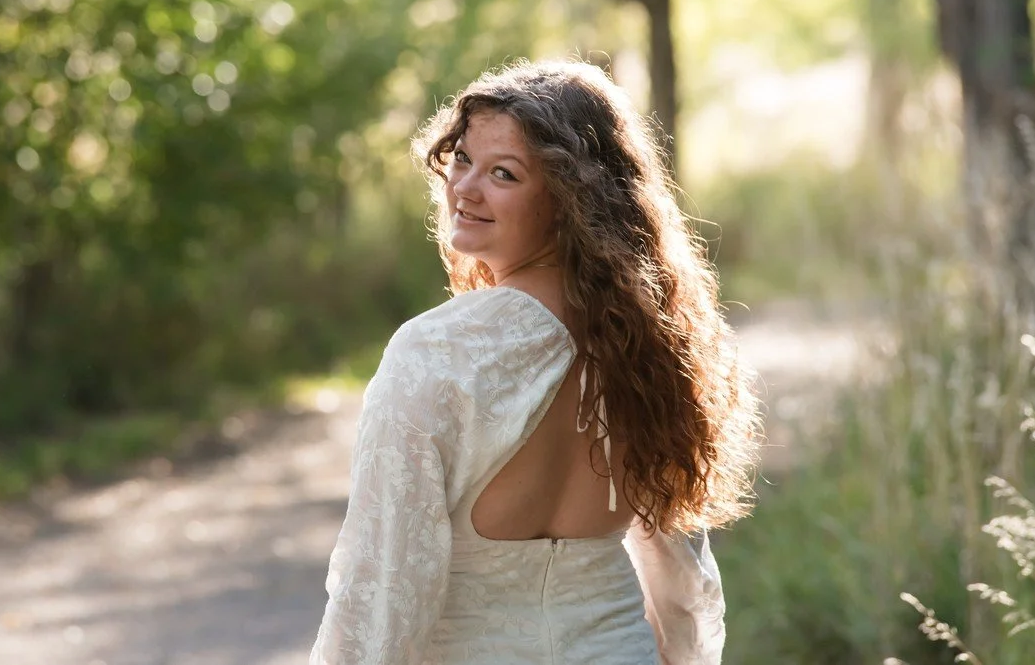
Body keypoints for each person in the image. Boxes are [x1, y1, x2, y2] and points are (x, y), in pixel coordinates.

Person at [310, 59, 760, 665]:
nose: (465, 188)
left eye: (504, 173)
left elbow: (386, 588)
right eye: (462, 159)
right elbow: (678, 571)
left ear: (568, 199)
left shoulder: (436, 351)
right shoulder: (649, 343)